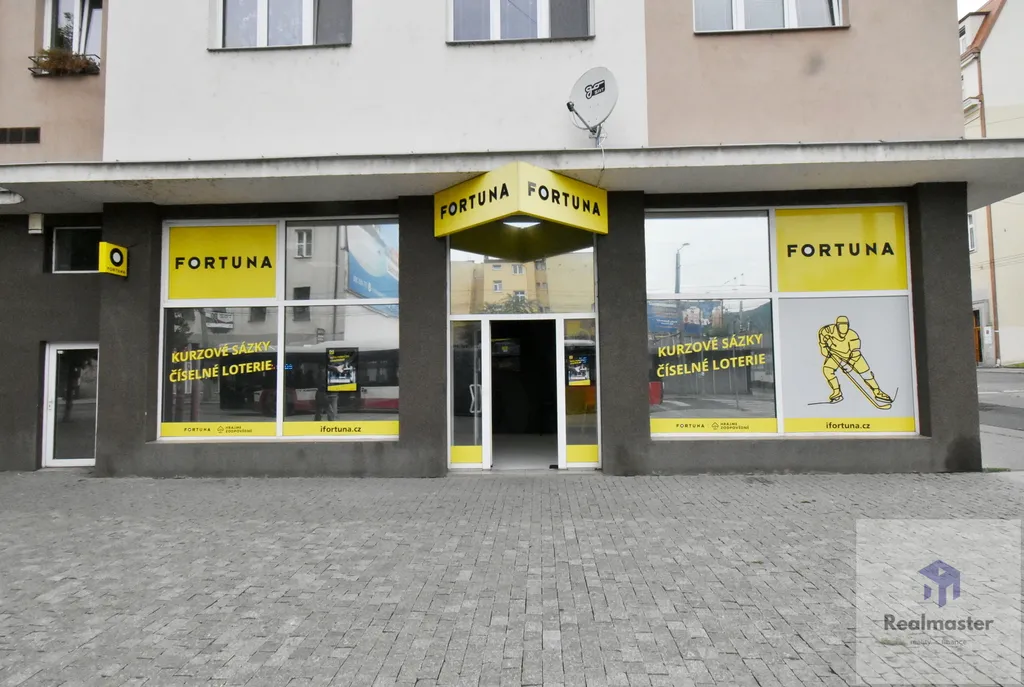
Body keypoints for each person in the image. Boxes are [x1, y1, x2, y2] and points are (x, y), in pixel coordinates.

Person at [818, 316, 892, 405]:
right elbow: (822, 343)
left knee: (866, 373)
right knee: (827, 370)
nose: (842, 335)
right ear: (837, 326)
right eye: (840, 332)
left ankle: (877, 391)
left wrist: (848, 367)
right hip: (836, 354)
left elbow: (855, 353)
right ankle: (837, 392)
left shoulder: (853, 335)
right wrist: (825, 349)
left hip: (851, 356)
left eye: (845, 331)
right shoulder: (827, 330)